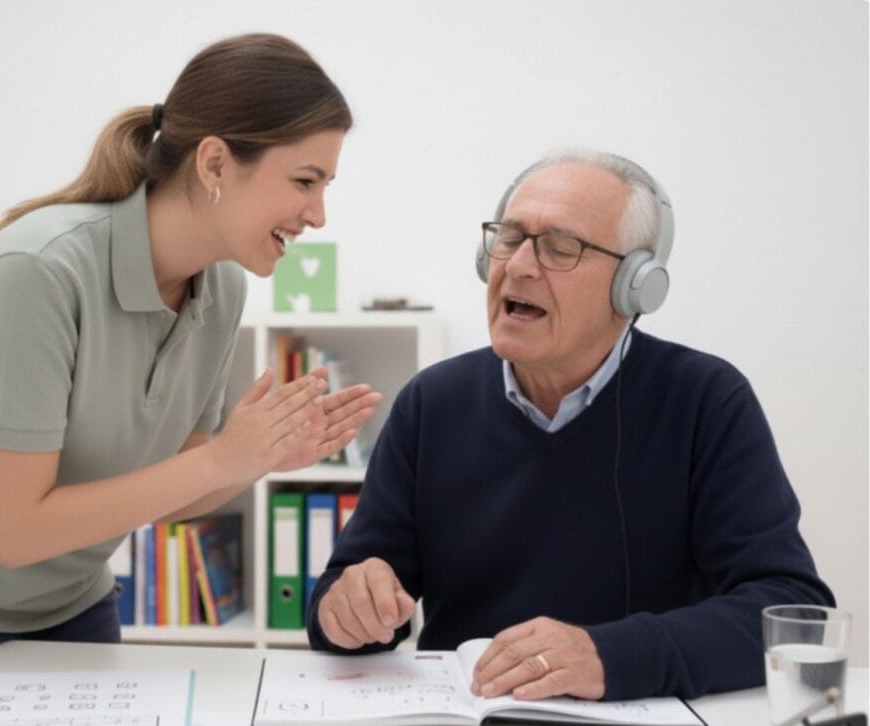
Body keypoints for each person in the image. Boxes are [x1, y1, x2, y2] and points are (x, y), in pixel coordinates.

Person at [0, 33, 382, 715]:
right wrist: (221, 460)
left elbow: (176, 486)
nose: (318, 214)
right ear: (216, 160)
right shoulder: (36, 272)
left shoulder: (220, 289)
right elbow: (16, 532)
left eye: (325, 186)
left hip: (71, 608)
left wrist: (253, 461)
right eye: (305, 181)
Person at [307, 148, 834, 701]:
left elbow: (789, 611)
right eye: (509, 239)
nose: (517, 266)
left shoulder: (706, 400)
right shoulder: (432, 402)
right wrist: (345, 612)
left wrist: (609, 656)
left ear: (634, 287)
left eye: (561, 247)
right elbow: (343, 601)